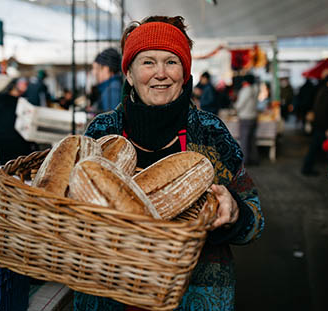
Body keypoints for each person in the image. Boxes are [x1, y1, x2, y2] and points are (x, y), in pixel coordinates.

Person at [74, 15, 264, 310]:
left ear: (185, 73)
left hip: (194, 293)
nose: (160, 73)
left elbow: (255, 219)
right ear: (129, 73)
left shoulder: (211, 133)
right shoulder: (101, 133)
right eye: (148, 62)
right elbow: (71, 213)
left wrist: (236, 212)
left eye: (171, 62)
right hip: (109, 294)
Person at [301, 72, 328, 176]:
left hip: (321, 125)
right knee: (316, 148)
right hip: (323, 126)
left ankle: (309, 168)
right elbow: (323, 112)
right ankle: (308, 168)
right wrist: (327, 128)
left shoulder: (325, 91)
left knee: (317, 147)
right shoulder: (326, 93)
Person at [234, 74, 259, 165]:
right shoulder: (256, 89)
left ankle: (244, 161)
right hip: (254, 117)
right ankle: (255, 159)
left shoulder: (246, 90)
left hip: (245, 117)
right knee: (252, 140)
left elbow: (239, 105)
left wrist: (235, 107)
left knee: (244, 141)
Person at [91, 47, 123, 113]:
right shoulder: (112, 87)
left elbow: (112, 120)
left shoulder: (112, 90)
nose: (93, 73)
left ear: (106, 69)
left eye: (96, 68)